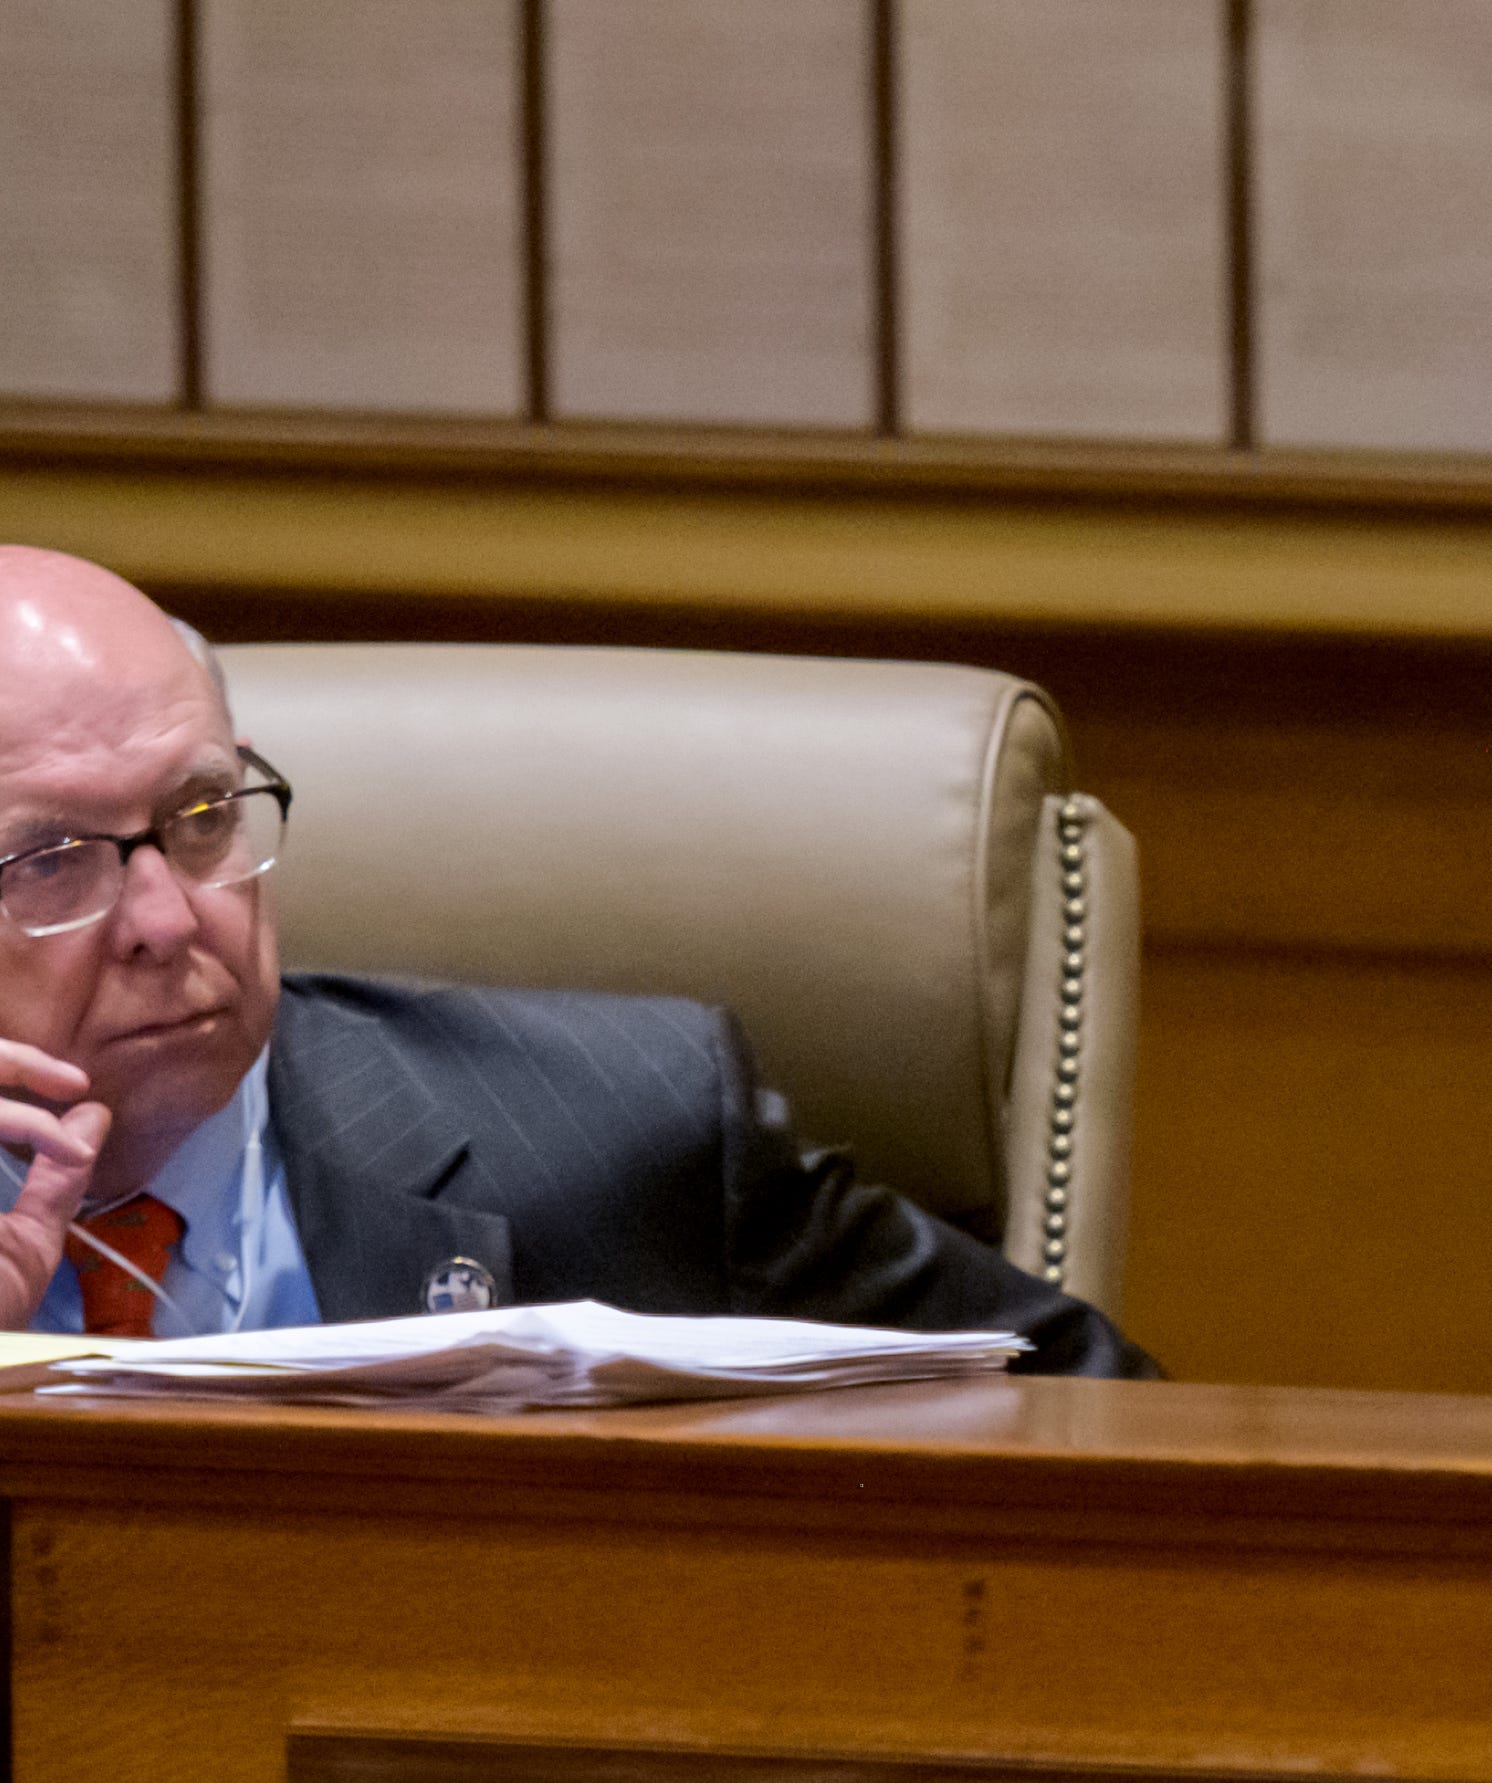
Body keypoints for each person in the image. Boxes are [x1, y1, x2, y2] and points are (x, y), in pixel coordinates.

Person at [0, 546, 1154, 1375]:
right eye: (51, 858)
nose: (167, 919)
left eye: (204, 814)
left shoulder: (621, 1135)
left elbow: (1096, 1424)